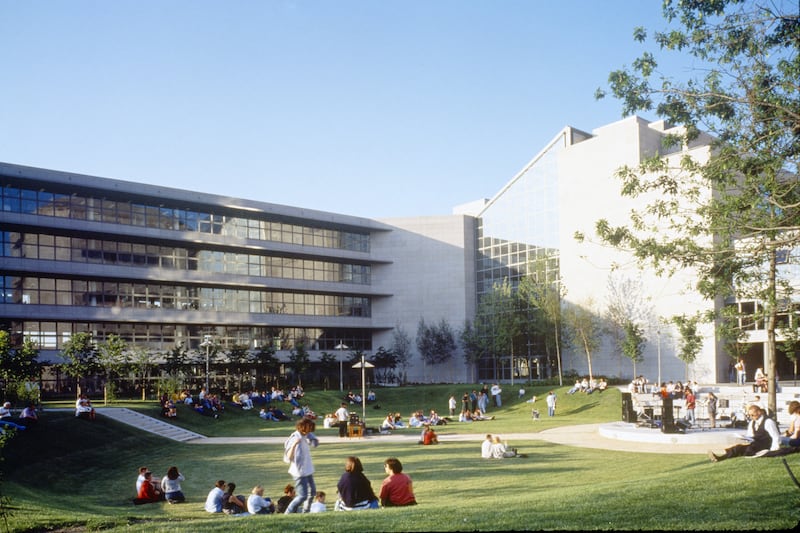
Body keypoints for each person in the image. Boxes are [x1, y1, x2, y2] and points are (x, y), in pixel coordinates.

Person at [708, 404, 781, 462]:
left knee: (745, 449)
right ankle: (720, 457)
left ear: (759, 412)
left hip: (765, 444)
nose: (751, 417)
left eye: (753, 415)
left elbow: (775, 436)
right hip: (755, 443)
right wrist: (744, 438)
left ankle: (720, 457)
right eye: (749, 415)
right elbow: (750, 435)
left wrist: (774, 450)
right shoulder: (752, 423)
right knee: (738, 447)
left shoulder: (768, 421)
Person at [283, 418, 319, 513]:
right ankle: (288, 512)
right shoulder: (295, 437)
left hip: (307, 469)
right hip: (299, 472)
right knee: (302, 496)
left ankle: (306, 511)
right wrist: (294, 445)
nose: (310, 430)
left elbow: (315, 443)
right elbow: (288, 457)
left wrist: (311, 438)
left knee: (312, 492)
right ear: (302, 427)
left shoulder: (307, 435)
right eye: (309, 427)